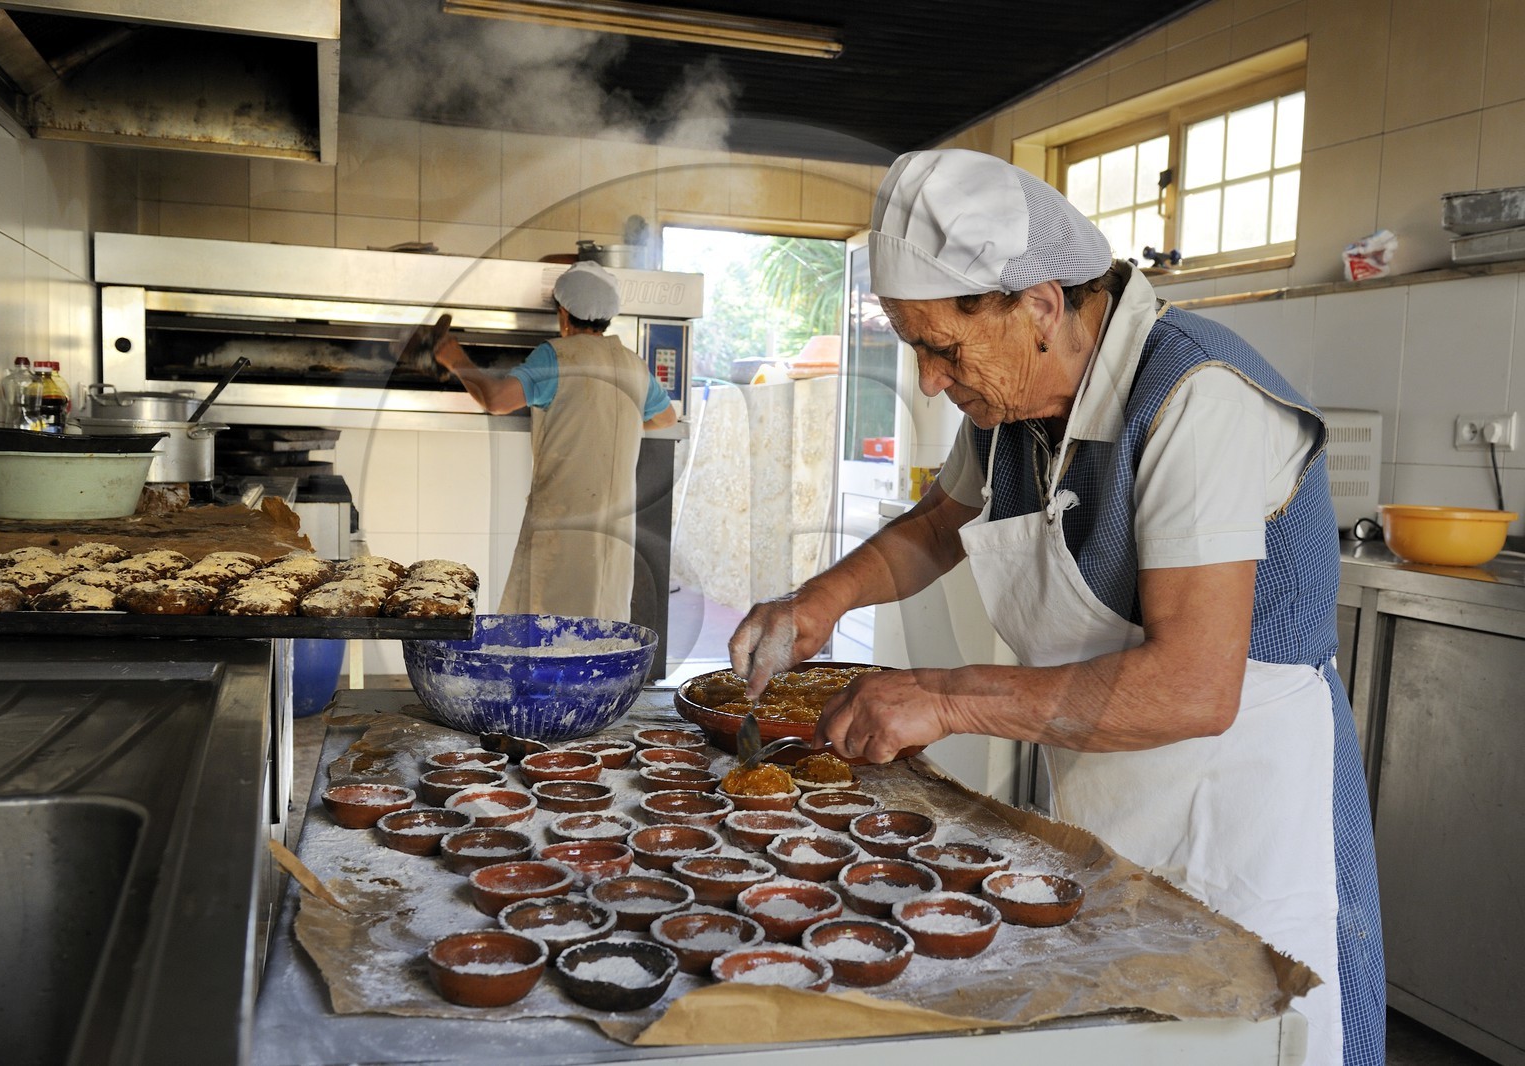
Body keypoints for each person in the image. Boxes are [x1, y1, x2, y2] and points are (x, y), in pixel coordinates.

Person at [728, 150, 1384, 1066]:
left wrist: (946, 698)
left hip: (1244, 816)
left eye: (941, 349)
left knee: (1246, 1041)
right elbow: (937, 525)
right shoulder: (1013, 407)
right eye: (915, 346)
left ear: (1040, 303)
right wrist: (817, 602)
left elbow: (1196, 687)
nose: (926, 379)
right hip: (1110, 791)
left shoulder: (1198, 399)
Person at [435, 260, 677, 620]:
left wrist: (454, 358)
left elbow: (498, 400)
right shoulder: (633, 365)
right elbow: (666, 417)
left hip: (564, 529)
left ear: (564, 314)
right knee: (599, 630)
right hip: (614, 536)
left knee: (551, 629)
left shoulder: (558, 356)